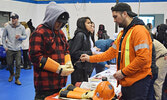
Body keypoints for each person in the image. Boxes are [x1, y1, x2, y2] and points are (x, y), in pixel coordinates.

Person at [80, 3, 153, 100]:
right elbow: (110, 53)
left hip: (138, 81)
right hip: (127, 80)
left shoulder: (139, 31)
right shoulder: (122, 34)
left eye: (115, 16)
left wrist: (123, 72)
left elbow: (143, 58)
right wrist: (90, 58)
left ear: (124, 14)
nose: (114, 20)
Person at [29, 2, 74, 100]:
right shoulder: (39, 33)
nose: (60, 24)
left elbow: (66, 49)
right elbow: (35, 56)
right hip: (45, 84)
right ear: (51, 18)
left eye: (62, 22)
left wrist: (68, 61)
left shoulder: (60, 33)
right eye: (58, 21)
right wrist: (58, 68)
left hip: (59, 83)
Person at [69, 17, 97, 85]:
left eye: (90, 23)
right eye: (88, 23)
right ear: (82, 24)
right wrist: (91, 53)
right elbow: (74, 52)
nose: (90, 25)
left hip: (85, 68)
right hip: (79, 70)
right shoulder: (80, 35)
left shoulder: (87, 35)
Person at [2, 13, 27, 85]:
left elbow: (25, 36)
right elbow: (3, 37)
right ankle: (11, 74)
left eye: (15, 18)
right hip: (9, 49)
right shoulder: (7, 27)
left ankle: (17, 79)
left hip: (18, 49)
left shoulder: (22, 27)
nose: (13, 20)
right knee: (9, 64)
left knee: (18, 64)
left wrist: (20, 37)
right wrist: (5, 47)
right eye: (12, 18)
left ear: (17, 19)